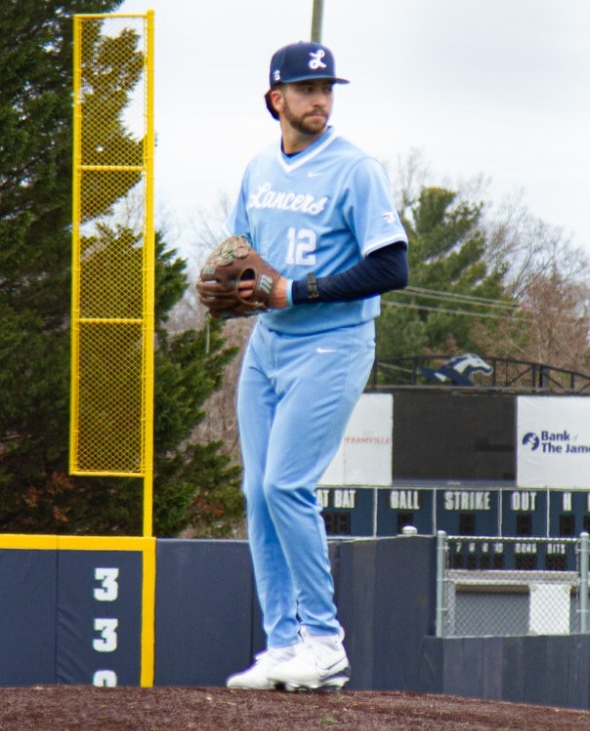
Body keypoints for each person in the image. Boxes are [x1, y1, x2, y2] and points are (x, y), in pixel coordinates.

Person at [212, 40, 409, 692]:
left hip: (334, 342)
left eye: (326, 88)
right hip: (268, 346)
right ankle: (281, 644)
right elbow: (240, 256)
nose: (319, 99)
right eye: (305, 89)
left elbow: (392, 267)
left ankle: (324, 643)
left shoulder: (356, 170)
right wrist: (229, 287)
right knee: (256, 493)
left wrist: (298, 290)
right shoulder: (258, 169)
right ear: (276, 99)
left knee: (285, 486)